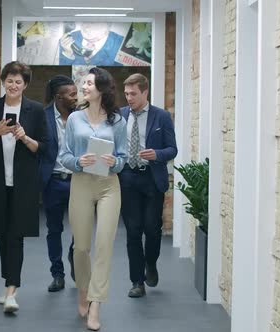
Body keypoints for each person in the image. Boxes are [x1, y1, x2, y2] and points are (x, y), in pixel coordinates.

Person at [0, 61, 47, 313]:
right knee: (3, 235)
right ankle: (8, 282)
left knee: (16, 235)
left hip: (23, 183)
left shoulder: (36, 110)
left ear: (25, 85)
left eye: (18, 81)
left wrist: (24, 137)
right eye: (9, 80)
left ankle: (11, 290)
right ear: (3, 81)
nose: (13, 85)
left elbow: (43, 148)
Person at [59, 67, 128, 331]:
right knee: (82, 247)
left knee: (104, 246)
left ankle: (96, 303)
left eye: (88, 83)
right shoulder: (75, 119)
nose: (84, 86)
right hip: (82, 184)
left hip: (109, 185)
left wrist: (115, 161)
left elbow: (123, 158)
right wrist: (78, 161)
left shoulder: (117, 121)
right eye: (83, 83)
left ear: (101, 88)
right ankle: (83, 290)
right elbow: (63, 155)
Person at [118, 73, 177, 298]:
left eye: (133, 94)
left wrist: (157, 154)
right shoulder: (120, 115)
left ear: (145, 92)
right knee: (133, 231)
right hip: (128, 178)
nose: (129, 98)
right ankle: (137, 281)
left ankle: (150, 264)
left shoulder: (161, 116)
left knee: (152, 229)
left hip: (152, 178)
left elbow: (172, 149)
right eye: (126, 94)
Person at [39, 75, 78, 292]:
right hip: (53, 182)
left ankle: (74, 254)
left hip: (78, 182)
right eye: (71, 94)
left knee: (79, 229)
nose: (76, 97)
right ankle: (57, 274)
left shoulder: (81, 117)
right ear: (58, 97)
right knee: (54, 230)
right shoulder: (42, 117)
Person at [59, 22, 124, 66]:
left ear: (108, 25)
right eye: (86, 21)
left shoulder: (122, 45)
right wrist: (67, 54)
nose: (87, 27)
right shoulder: (67, 40)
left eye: (95, 23)